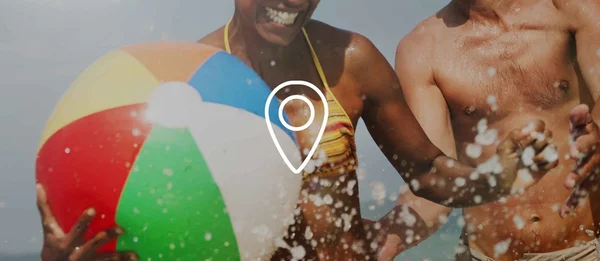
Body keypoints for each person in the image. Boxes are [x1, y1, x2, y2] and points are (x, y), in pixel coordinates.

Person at [35, 0, 558, 260]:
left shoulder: (350, 61)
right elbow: (159, 232)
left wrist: (502, 175)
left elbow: (427, 172)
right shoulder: (182, 83)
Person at [394, 0, 600, 260]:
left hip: (586, 250)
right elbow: (435, 178)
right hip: (485, 255)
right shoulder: (421, 49)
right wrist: (389, 236)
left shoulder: (572, 8)